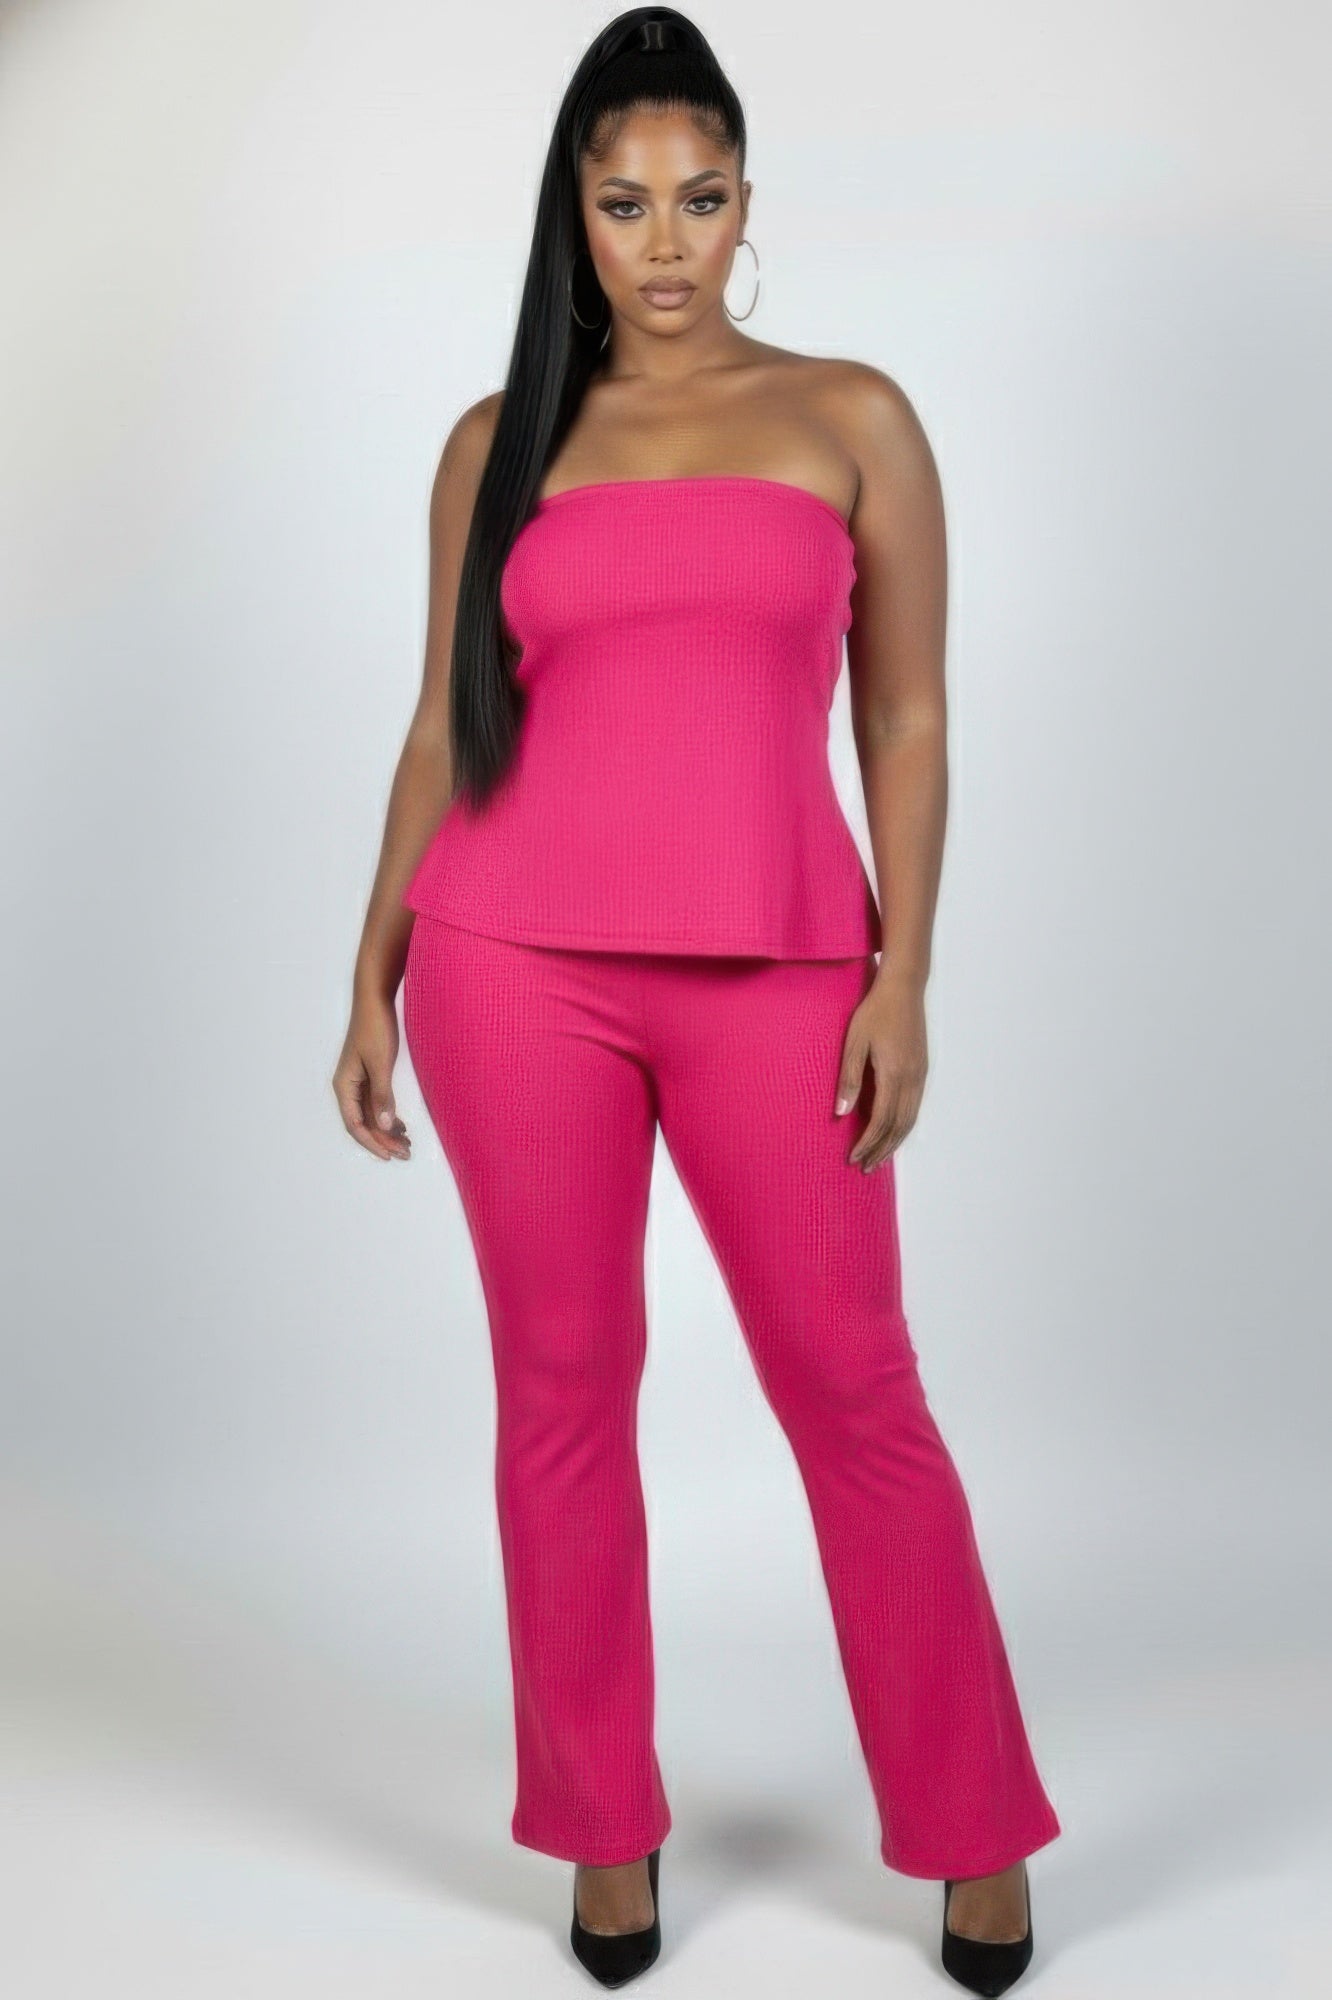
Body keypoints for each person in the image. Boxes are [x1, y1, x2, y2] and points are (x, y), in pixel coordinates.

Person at [332, 9, 1062, 1991]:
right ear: (573, 217)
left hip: (784, 966)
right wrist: (371, 964)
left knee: (856, 1391)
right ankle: (602, 1827)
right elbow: (441, 727)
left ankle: (975, 1824)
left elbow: (906, 719)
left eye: (702, 197)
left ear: (749, 205)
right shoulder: (497, 444)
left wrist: (907, 974)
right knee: (561, 1394)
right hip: (511, 966)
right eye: (626, 202)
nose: (666, 241)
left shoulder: (850, 414)